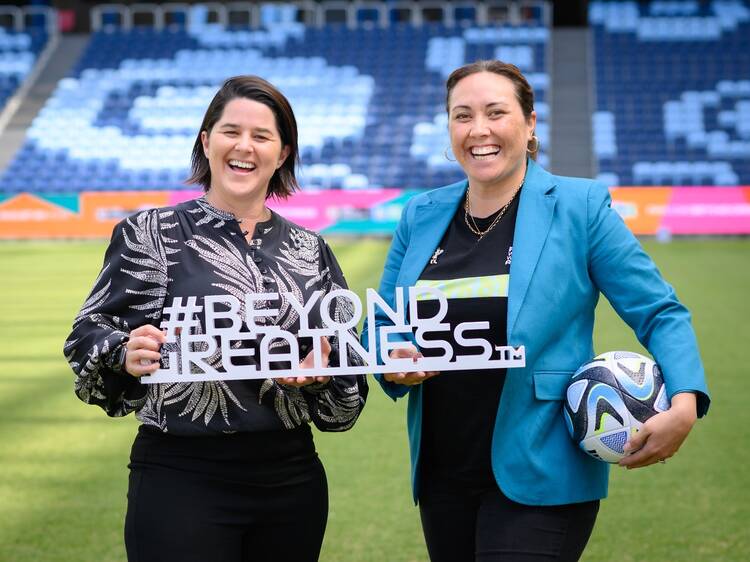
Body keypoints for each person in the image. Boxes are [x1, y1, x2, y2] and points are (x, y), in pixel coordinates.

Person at [361, 60, 710, 562]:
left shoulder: (579, 206)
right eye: (462, 116)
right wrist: (393, 356)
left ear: (529, 125)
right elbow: (380, 322)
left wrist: (686, 402)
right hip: (442, 474)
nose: (478, 130)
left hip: (543, 470)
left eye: (495, 113)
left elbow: (658, 309)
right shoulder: (421, 213)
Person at [63, 75, 368, 562]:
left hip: (292, 479)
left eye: (262, 136)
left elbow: (345, 401)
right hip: (181, 476)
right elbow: (87, 337)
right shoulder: (151, 235)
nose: (244, 147)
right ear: (206, 141)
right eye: (230, 131)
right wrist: (125, 353)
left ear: (283, 152)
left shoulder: (311, 251)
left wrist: (319, 379)